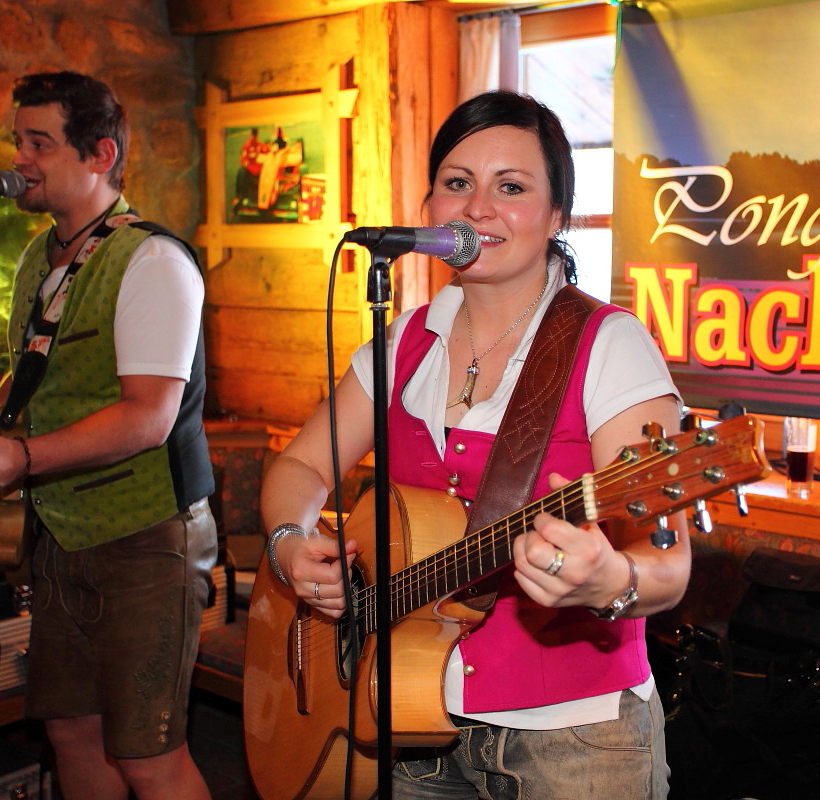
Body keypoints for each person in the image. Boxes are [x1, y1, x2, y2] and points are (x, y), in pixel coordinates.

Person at [260, 90, 691, 799]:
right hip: (405, 716)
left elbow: (668, 563)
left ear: (558, 215)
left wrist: (611, 581)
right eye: (458, 183)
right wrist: (288, 543)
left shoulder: (610, 344)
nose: (479, 208)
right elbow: (302, 463)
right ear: (430, 205)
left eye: (511, 187)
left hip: (573, 742)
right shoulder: (403, 342)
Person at [0, 72, 217, 800]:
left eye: (40, 143)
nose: (19, 160)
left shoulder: (153, 260)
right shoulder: (39, 259)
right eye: (18, 141)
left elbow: (147, 417)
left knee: (149, 756)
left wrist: (22, 459)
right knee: (71, 733)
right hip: (61, 536)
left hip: (147, 542)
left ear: (100, 155)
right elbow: (30, 380)